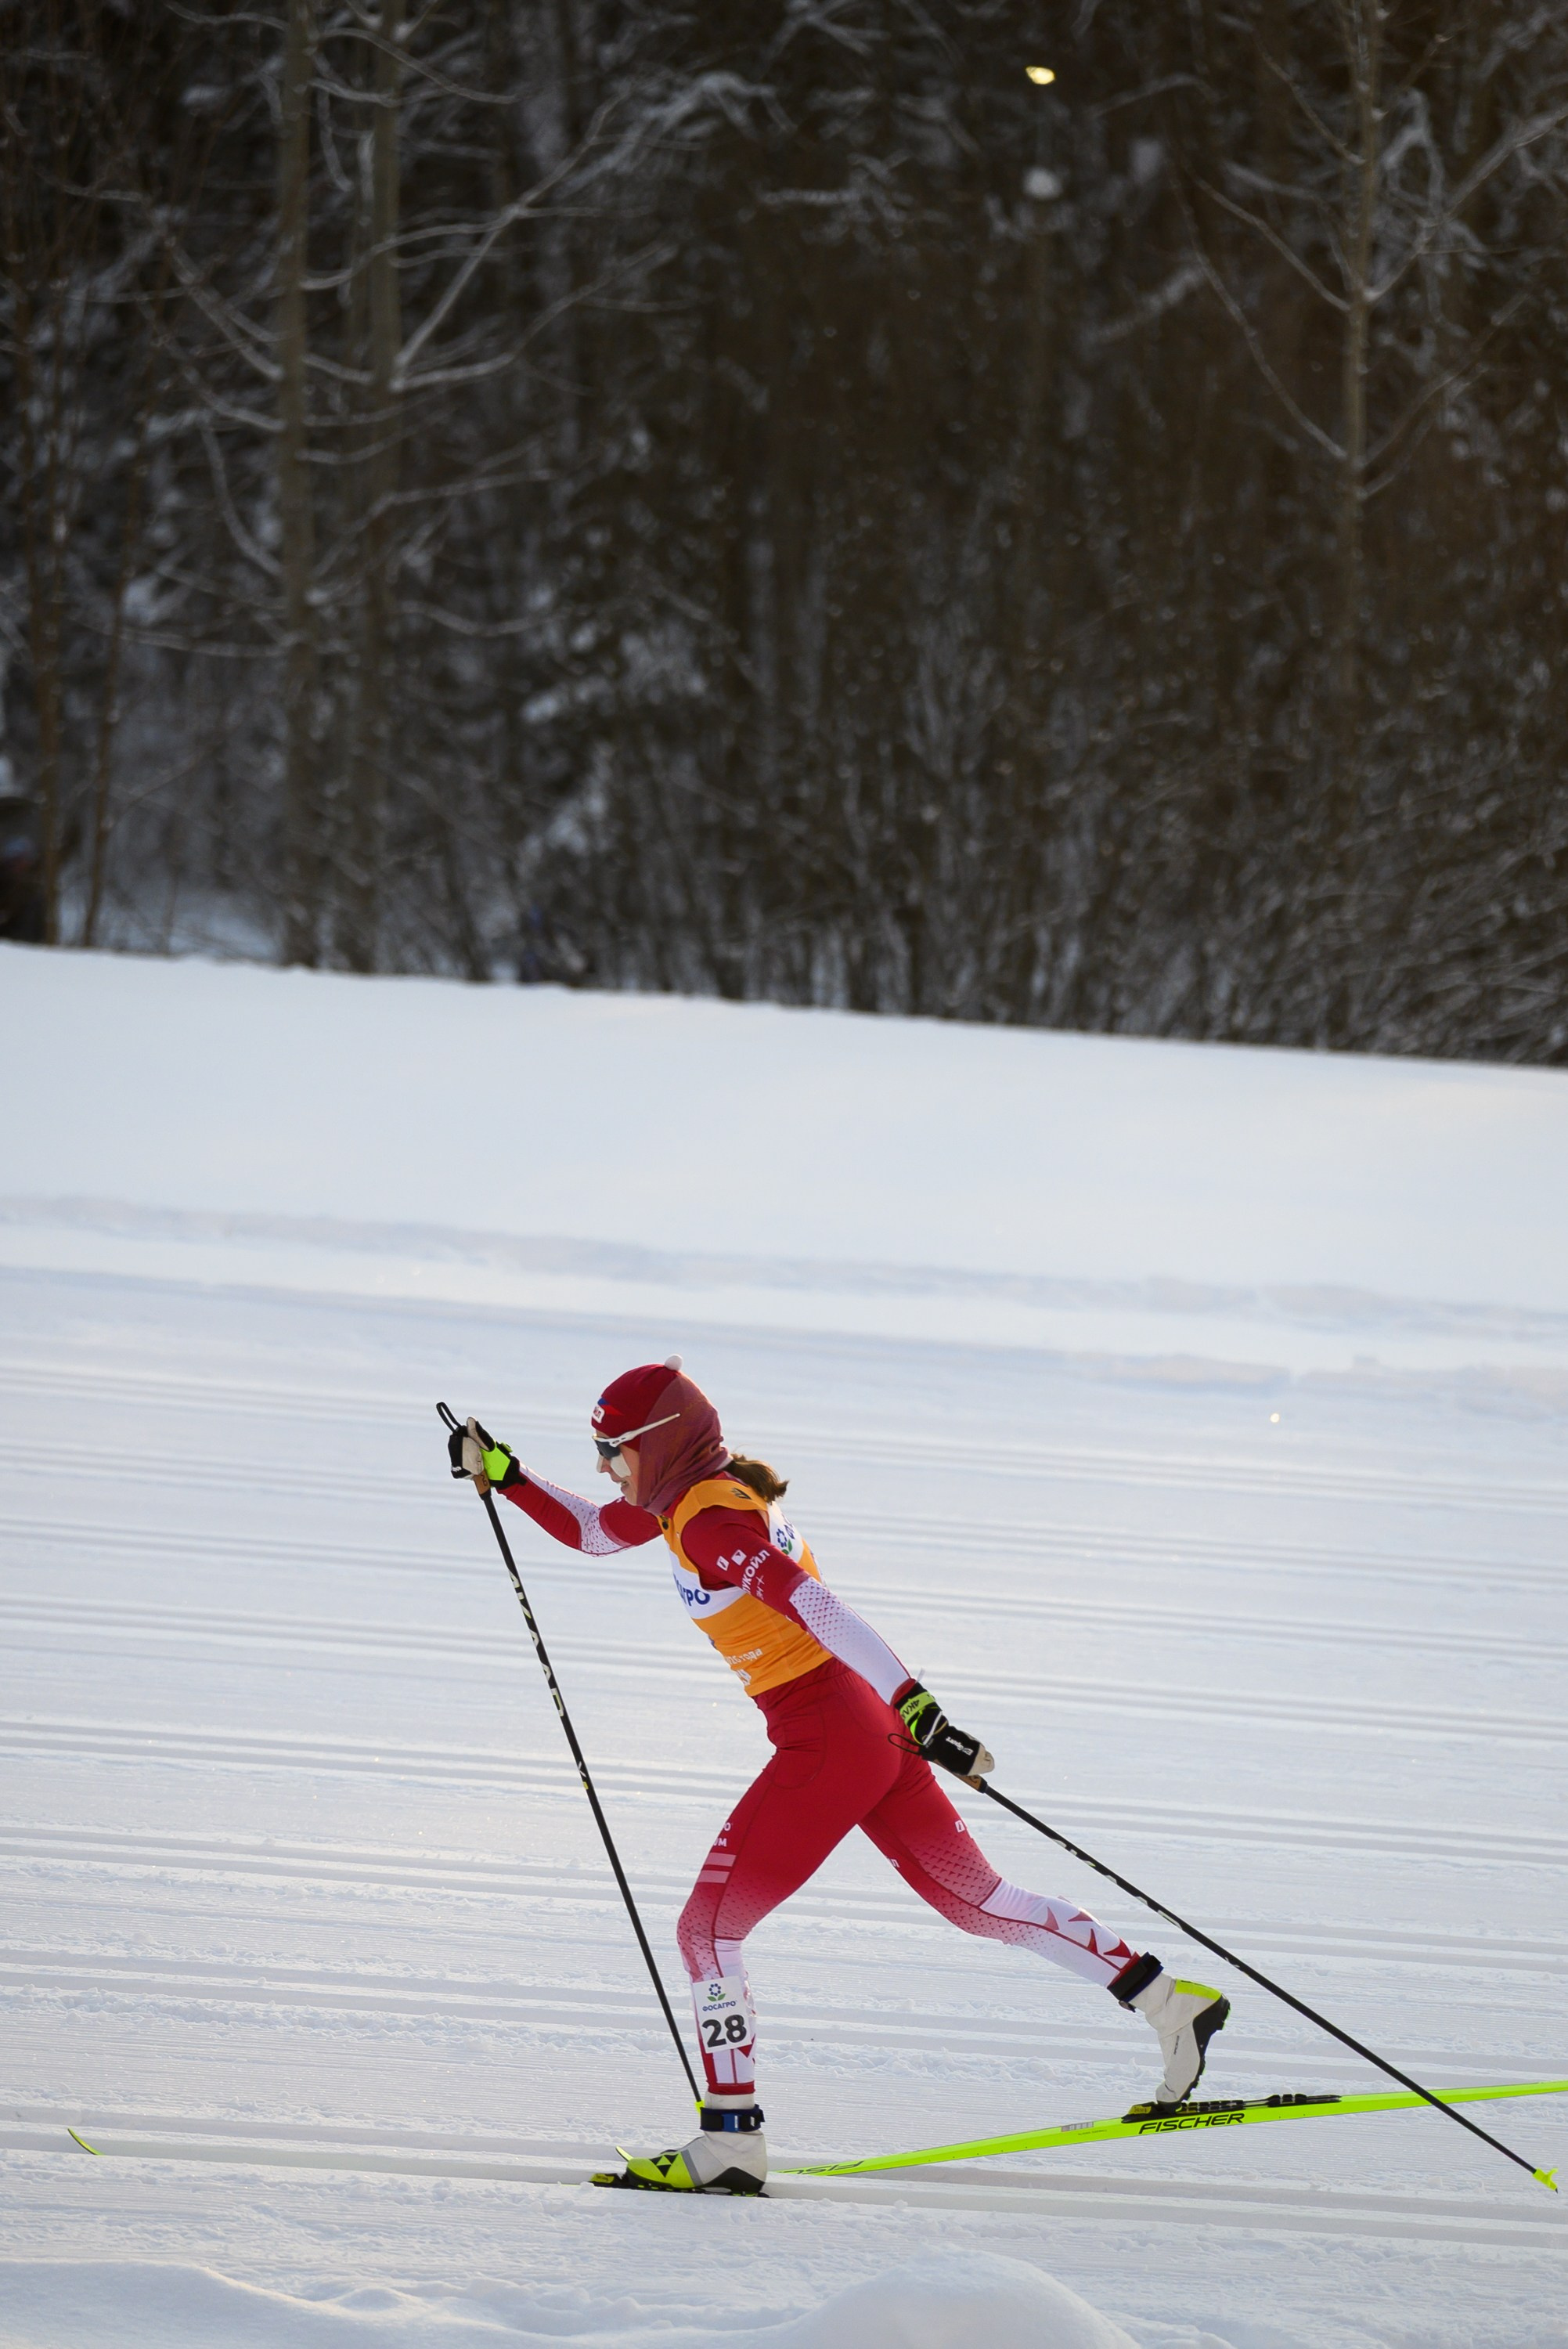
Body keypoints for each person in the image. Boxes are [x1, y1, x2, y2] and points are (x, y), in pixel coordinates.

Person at [450, 1355, 1229, 2193]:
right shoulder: (688, 1500)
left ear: (662, 1443)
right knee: (979, 1902)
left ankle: (730, 2142)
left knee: (706, 1933)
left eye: (614, 1450)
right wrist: (507, 1474)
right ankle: (1166, 2001)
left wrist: (917, 1700)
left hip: (829, 1733)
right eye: (598, 1450)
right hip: (863, 1727)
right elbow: (594, 1532)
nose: (605, 1467)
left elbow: (816, 1606)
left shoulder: (709, 1526)